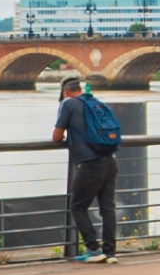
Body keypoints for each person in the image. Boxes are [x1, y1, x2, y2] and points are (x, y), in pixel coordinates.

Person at [52, 76, 121, 262]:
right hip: (110, 160)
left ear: (66, 91)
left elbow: (56, 136)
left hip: (90, 164)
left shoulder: (68, 104)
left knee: (78, 206)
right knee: (108, 209)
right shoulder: (95, 102)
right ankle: (110, 252)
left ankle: (93, 249)